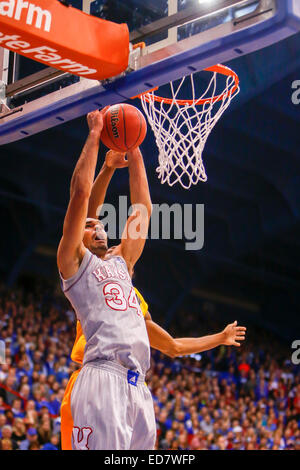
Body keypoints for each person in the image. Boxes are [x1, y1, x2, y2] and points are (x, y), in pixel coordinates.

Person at [57, 109, 246, 450]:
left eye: (99, 224)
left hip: (137, 385)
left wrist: (136, 146)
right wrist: (97, 135)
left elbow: (142, 208)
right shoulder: (75, 265)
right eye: (89, 226)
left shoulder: (121, 265)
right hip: (100, 376)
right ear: (77, 239)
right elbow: (82, 196)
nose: (97, 225)